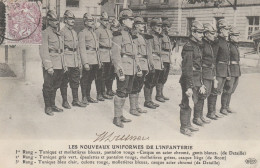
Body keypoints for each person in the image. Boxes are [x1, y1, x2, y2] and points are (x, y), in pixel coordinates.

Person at [111, 8, 142, 128]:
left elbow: (135, 54)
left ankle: (121, 115)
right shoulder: (118, 34)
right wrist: (120, 71)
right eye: (130, 19)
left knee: (126, 92)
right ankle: (116, 117)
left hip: (132, 67)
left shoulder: (131, 34)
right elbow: (115, 54)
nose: (132, 22)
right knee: (121, 92)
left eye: (133, 19)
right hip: (124, 67)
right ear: (123, 21)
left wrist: (138, 68)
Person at [179, 20, 205, 136]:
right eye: (199, 32)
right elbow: (187, 68)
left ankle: (188, 124)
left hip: (196, 77)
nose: (201, 35)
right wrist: (188, 86)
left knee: (193, 101)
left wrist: (201, 81)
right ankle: (184, 127)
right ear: (193, 32)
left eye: (202, 32)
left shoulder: (197, 45)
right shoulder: (189, 46)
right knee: (186, 102)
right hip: (188, 78)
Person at [39, 10, 66, 116]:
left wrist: (64, 64)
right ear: (49, 21)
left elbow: (61, 51)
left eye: (57, 20)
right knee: (48, 86)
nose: (57, 22)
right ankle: (48, 107)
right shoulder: (45, 33)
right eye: (54, 20)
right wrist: (48, 66)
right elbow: (43, 51)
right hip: (51, 65)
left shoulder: (58, 33)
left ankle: (53, 104)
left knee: (55, 86)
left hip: (59, 64)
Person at [60, 10, 86, 109]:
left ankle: (75, 100)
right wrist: (63, 63)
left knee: (75, 81)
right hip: (67, 59)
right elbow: (60, 49)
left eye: (73, 19)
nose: (72, 21)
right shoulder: (62, 32)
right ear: (65, 20)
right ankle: (65, 101)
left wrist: (79, 61)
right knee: (64, 81)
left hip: (75, 59)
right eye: (70, 19)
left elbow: (77, 48)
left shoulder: (75, 32)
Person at [130, 16, 153, 115]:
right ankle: (133, 108)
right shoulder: (134, 36)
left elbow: (147, 53)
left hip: (144, 63)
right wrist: (138, 67)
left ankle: (137, 106)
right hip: (138, 63)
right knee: (135, 86)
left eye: (143, 24)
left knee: (139, 86)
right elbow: (134, 53)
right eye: (140, 24)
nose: (142, 26)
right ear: (135, 25)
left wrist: (147, 66)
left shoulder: (142, 36)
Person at [208, 19, 231, 117]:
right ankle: (211, 112)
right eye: (226, 29)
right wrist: (214, 73)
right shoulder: (217, 41)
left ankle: (215, 111)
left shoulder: (225, 41)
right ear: (221, 30)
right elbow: (213, 58)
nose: (228, 31)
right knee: (214, 91)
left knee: (218, 91)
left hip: (224, 70)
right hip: (218, 70)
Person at [79, 13, 102, 104]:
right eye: (89, 21)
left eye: (92, 20)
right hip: (88, 59)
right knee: (85, 79)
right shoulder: (82, 33)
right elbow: (82, 48)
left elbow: (97, 48)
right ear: (85, 22)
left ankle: (88, 96)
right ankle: (84, 97)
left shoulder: (93, 33)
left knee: (91, 79)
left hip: (95, 59)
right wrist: (85, 62)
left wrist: (99, 61)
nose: (91, 22)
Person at [143, 18, 162, 109]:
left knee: (154, 81)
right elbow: (149, 50)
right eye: (157, 26)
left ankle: (150, 100)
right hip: (152, 60)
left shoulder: (158, 36)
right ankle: (147, 101)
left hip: (158, 60)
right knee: (149, 81)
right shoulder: (149, 36)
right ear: (152, 27)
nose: (159, 28)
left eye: (160, 26)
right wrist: (151, 63)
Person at [201, 23, 218, 121]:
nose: (214, 35)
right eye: (212, 33)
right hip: (205, 72)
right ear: (206, 34)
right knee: (203, 95)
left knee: (212, 92)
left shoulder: (210, 44)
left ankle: (210, 113)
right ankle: (198, 117)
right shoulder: (202, 44)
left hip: (211, 71)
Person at [222, 26, 241, 113]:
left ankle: (227, 106)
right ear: (231, 36)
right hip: (230, 70)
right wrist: (228, 72)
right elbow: (227, 59)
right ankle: (223, 108)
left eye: (238, 35)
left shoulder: (235, 45)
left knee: (232, 89)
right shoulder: (228, 45)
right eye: (236, 35)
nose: (238, 37)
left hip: (236, 70)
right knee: (227, 89)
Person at [95, 12, 113, 100]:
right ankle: (99, 94)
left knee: (107, 75)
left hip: (109, 55)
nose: (106, 22)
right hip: (102, 55)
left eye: (107, 20)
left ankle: (105, 92)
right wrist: (98, 58)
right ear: (101, 20)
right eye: (104, 20)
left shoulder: (109, 31)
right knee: (100, 76)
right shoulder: (97, 31)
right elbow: (96, 45)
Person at [156, 19, 174, 102]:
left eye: (169, 27)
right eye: (168, 27)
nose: (169, 29)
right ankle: (158, 95)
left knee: (164, 78)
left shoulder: (167, 36)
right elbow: (159, 48)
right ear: (163, 27)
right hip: (163, 59)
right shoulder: (161, 36)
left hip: (167, 59)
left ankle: (161, 94)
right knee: (160, 77)